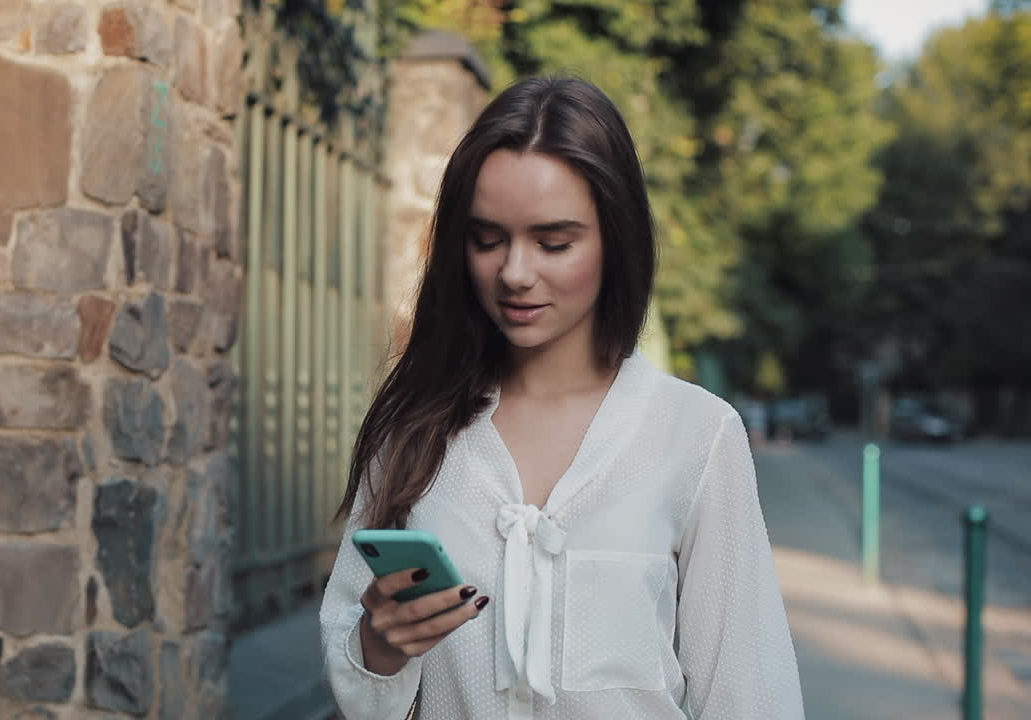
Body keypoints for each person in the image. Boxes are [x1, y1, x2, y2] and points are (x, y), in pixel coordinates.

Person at [319, 75, 804, 720]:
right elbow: (353, 671)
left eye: (554, 242)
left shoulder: (696, 433)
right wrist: (379, 646)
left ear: (616, 239)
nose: (515, 273)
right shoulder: (413, 426)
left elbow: (751, 691)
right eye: (487, 239)